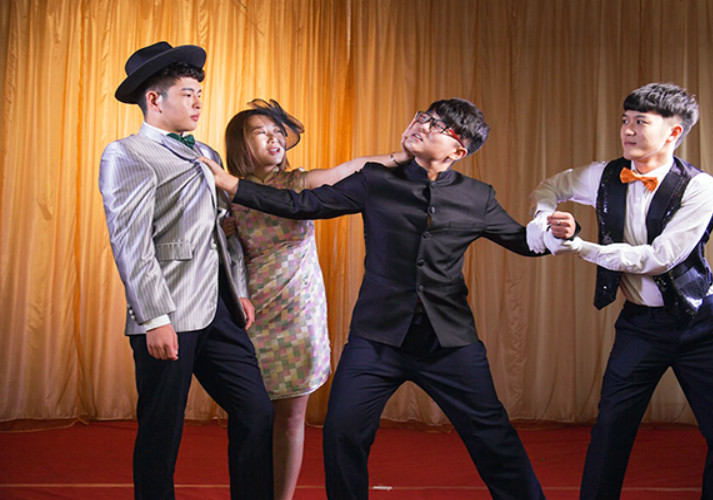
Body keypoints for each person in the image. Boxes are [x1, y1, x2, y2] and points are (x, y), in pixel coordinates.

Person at [200, 98, 548, 500]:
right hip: (377, 339)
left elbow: (524, 242)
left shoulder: (478, 196)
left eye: (436, 126)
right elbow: (303, 204)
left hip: (449, 341)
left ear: (458, 151)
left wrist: (559, 233)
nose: (421, 124)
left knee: (493, 437)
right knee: (341, 432)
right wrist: (233, 185)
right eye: (423, 116)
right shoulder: (375, 181)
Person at [527, 82, 713, 500]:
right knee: (610, 432)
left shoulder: (700, 186)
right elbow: (548, 188)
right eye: (625, 120)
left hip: (700, 325)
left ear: (674, 132)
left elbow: (659, 258)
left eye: (640, 122)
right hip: (640, 325)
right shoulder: (602, 175)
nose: (628, 130)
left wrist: (581, 247)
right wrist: (546, 221)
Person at [98, 42, 273, 500]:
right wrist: (155, 319)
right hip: (169, 313)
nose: (198, 102)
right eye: (187, 93)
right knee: (162, 429)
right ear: (154, 99)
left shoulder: (206, 151)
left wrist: (239, 289)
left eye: (200, 94)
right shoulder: (127, 154)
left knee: (256, 412)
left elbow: (224, 228)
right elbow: (131, 244)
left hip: (220, 309)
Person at [222, 98, 413, 500]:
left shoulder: (298, 183)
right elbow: (223, 254)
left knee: (291, 419)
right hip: (250, 309)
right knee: (251, 416)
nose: (274, 139)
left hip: (299, 309)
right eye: (261, 133)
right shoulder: (227, 192)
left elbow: (354, 167)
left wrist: (402, 156)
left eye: (278, 133)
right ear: (240, 142)